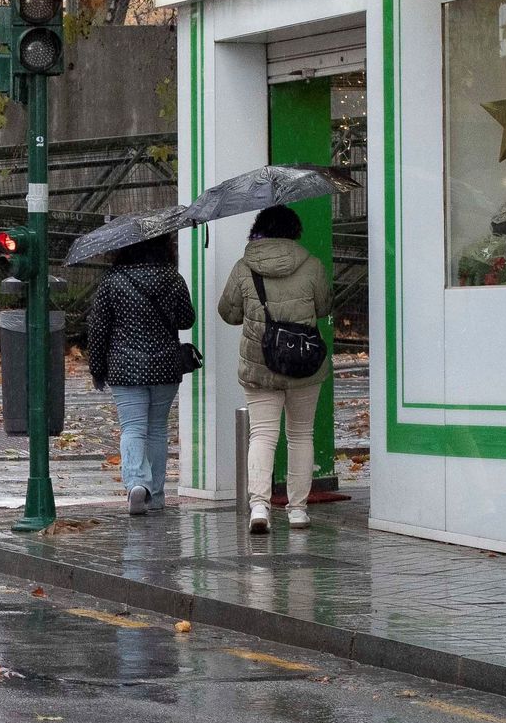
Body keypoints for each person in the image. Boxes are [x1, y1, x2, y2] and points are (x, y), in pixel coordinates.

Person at [218, 204, 331, 534]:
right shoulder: (311, 265)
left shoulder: (244, 267)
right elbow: (324, 306)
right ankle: (297, 510)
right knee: (300, 434)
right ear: (295, 232)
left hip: (260, 364)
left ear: (258, 230)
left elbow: (228, 312)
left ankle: (259, 508)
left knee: (263, 434)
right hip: (304, 364)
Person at [86, 234, 194, 515]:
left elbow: (98, 329)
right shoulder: (172, 277)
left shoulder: (113, 281)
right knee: (157, 430)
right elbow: (187, 319)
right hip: (165, 367)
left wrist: (97, 368)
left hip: (125, 368)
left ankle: (136, 484)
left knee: (132, 428)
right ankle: (156, 495)